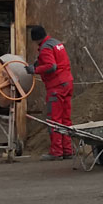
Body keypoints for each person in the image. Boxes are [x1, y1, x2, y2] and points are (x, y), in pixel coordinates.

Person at [29, 24, 74, 161]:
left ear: (36, 39)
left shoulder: (45, 48)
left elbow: (51, 66)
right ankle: (67, 150)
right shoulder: (56, 43)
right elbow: (53, 60)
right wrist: (37, 63)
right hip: (67, 83)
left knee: (54, 120)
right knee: (65, 119)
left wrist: (34, 70)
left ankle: (56, 152)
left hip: (56, 87)